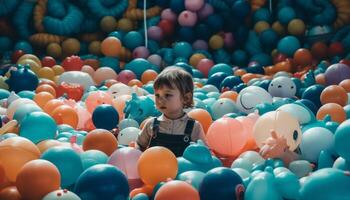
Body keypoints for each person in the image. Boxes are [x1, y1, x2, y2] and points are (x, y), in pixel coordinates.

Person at [136, 67, 207, 157]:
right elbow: (139, 145)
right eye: (157, 95)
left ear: (186, 98)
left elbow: (204, 154)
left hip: (183, 170)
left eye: (167, 95)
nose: (160, 100)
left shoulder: (194, 127)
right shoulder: (151, 124)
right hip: (155, 169)